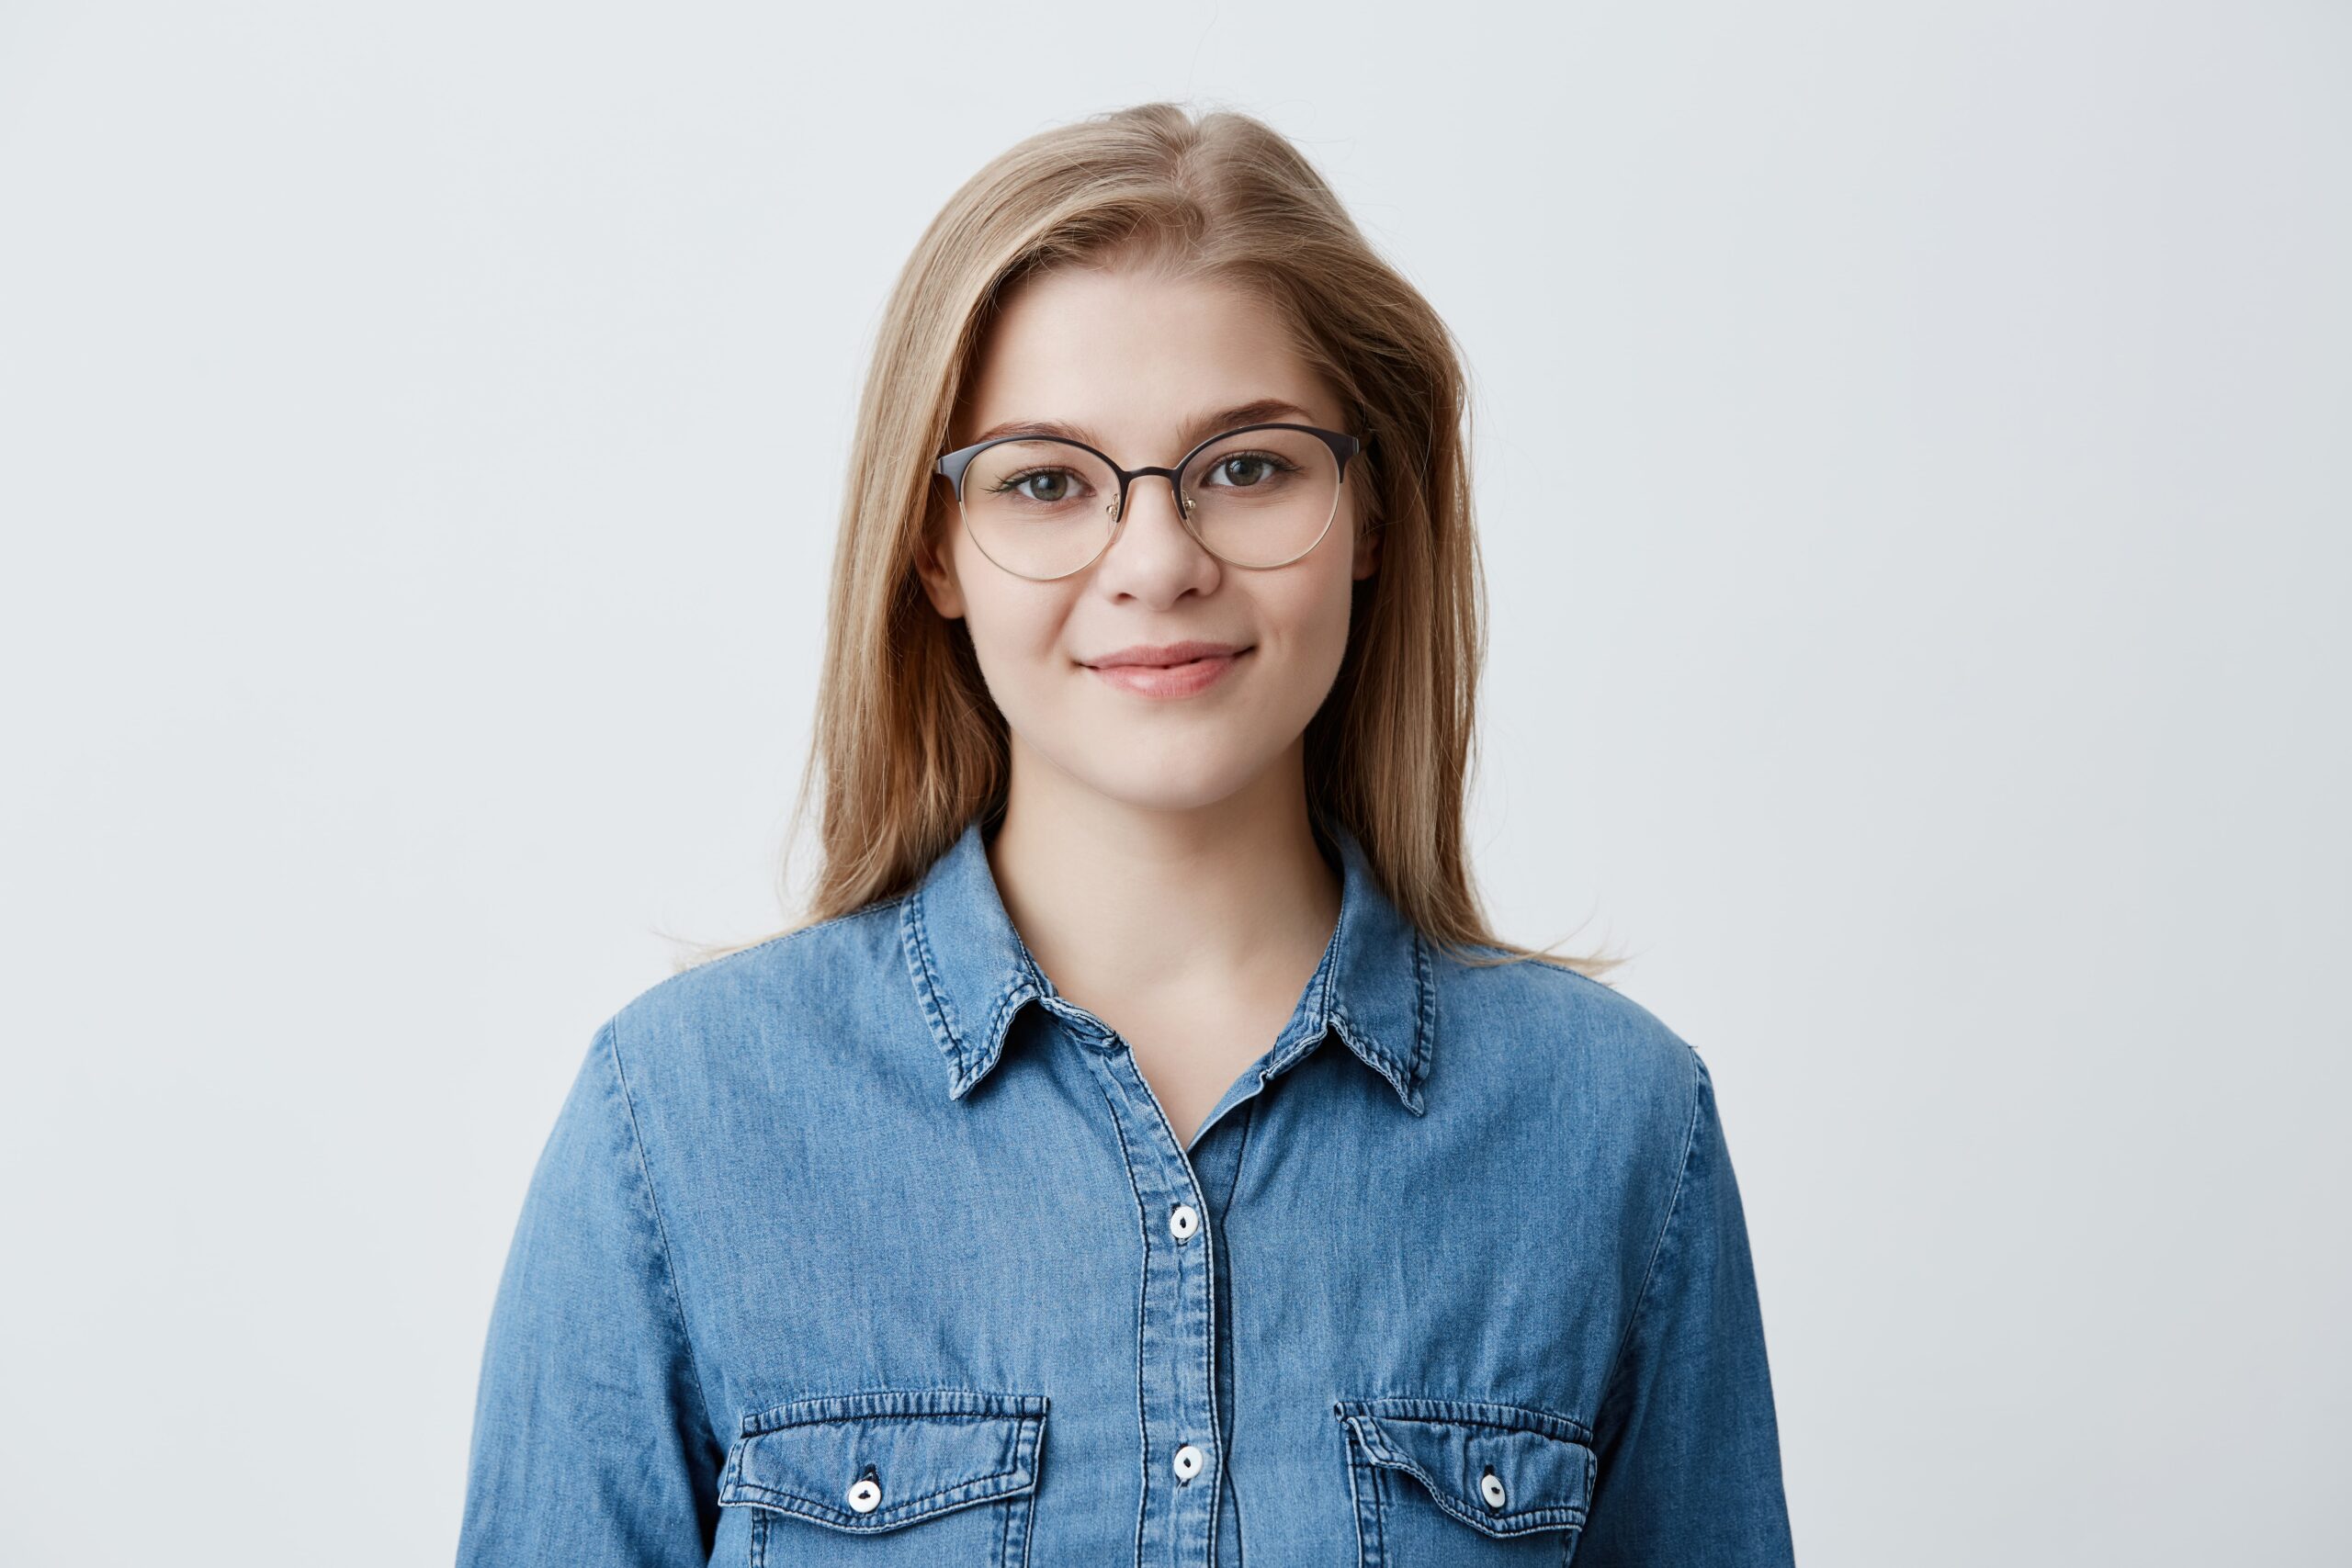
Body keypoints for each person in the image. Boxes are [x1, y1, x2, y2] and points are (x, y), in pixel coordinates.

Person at [456, 101, 1796, 1567]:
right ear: (935, 549)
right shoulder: (681, 1123)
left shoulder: (1613, 1128)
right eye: (1046, 482)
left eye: (1249, 466)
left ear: (1373, 513)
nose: (1156, 562)